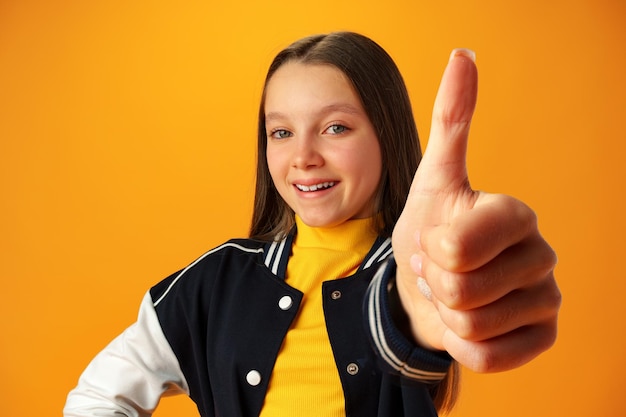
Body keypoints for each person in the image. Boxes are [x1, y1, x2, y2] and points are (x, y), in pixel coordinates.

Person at [64, 32, 561, 417]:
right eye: (281, 132)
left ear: (385, 134)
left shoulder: (409, 272)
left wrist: (437, 288)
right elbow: (101, 393)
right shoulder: (217, 281)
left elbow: (407, 321)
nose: (302, 157)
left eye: (335, 127)